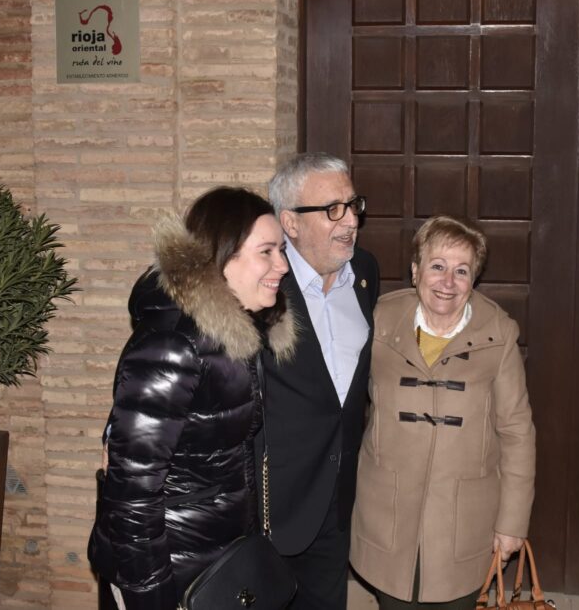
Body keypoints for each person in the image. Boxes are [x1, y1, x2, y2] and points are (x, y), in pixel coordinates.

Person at [87, 187, 297, 610]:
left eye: (282, 251)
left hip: (214, 560)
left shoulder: (235, 335)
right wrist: (152, 599)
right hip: (169, 573)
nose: (283, 265)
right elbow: (131, 495)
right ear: (222, 257)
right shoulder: (173, 346)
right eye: (267, 252)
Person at [350, 215, 536, 609]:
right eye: (437, 266)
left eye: (461, 271)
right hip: (388, 510)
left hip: (464, 519)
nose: (447, 282)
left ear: (474, 280)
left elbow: (517, 431)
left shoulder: (499, 333)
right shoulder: (378, 320)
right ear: (415, 271)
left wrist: (512, 522)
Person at [260, 153, 381, 610]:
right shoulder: (263, 282)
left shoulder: (365, 272)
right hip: (273, 507)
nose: (351, 221)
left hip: (338, 500)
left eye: (353, 205)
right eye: (333, 209)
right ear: (290, 222)